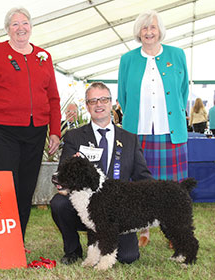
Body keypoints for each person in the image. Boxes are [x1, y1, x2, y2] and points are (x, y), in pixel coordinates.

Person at [0, 7, 61, 240]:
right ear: (7, 29)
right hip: (4, 132)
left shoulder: (44, 56)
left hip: (36, 131)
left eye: (25, 23)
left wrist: (55, 131)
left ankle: (17, 239)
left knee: (26, 188)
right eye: (15, 24)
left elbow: (53, 97)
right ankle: (0, 239)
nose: (21, 28)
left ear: (31, 27)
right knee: (5, 187)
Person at [50, 82, 152, 265]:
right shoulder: (74, 136)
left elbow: (142, 177)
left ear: (111, 103)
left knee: (128, 257)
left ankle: (110, 245)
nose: (99, 104)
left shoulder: (130, 139)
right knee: (59, 204)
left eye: (103, 99)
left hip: (118, 213)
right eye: (93, 101)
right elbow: (63, 174)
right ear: (87, 106)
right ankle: (73, 251)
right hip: (85, 208)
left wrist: (152, 203)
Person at [118, 10, 189, 247]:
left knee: (173, 186)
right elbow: (122, 96)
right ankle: (143, 230)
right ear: (139, 32)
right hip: (138, 133)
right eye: (144, 28)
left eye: (153, 28)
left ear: (160, 31)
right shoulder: (127, 59)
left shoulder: (177, 55)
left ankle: (175, 229)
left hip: (170, 131)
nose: (149, 32)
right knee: (140, 186)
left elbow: (182, 92)